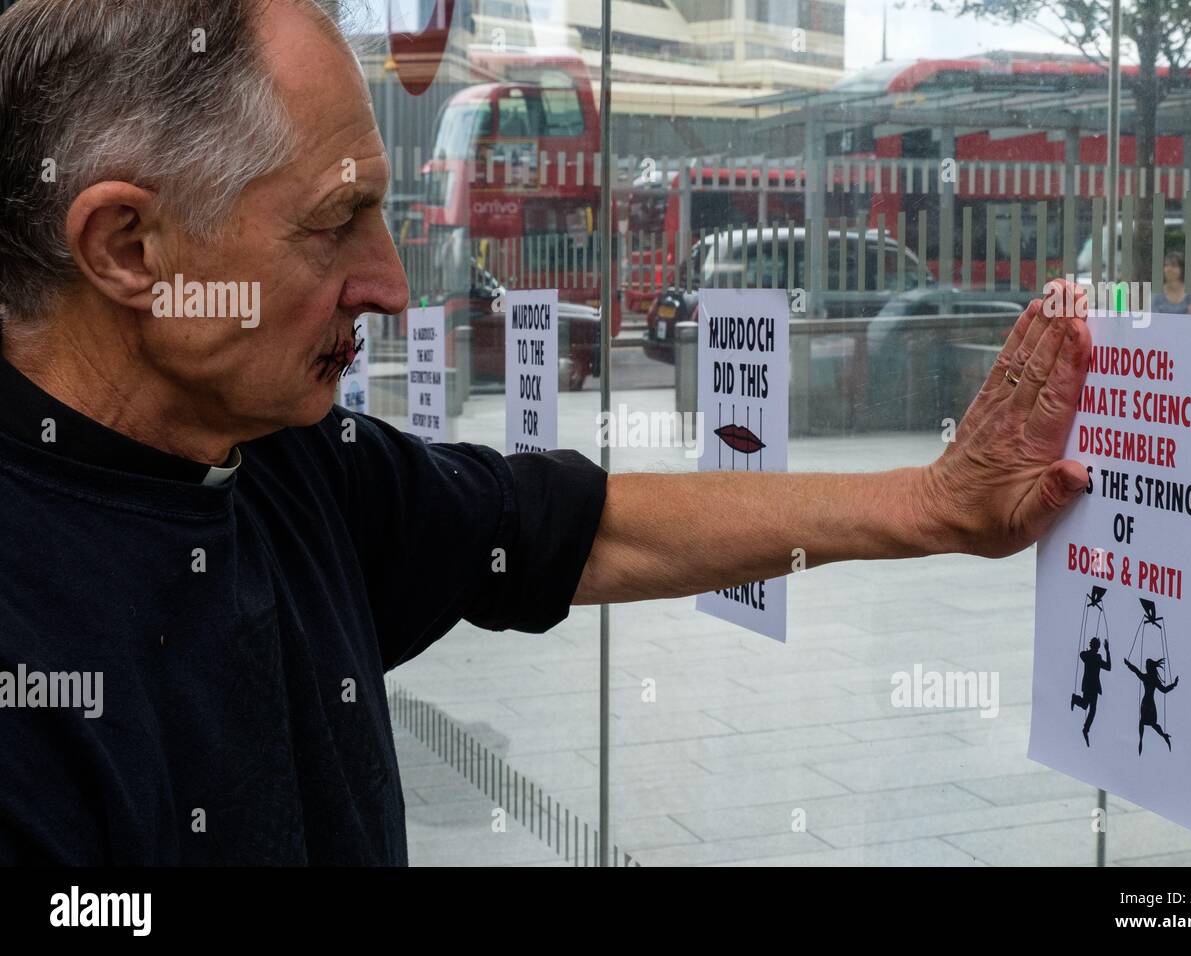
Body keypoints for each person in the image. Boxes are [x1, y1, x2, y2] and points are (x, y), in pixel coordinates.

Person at [0, 0, 1094, 864]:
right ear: (129, 248)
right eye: (334, 223)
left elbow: (576, 528)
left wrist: (933, 502)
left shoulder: (281, 456)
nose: (386, 285)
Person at [1123, 657, 1179, 754]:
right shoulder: (1154, 680)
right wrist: (1173, 685)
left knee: (1142, 721)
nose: (1145, 666)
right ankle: (1163, 735)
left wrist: (1128, 664)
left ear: (1149, 667)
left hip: (1145, 702)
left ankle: (1141, 740)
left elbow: (1136, 671)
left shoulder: (1146, 677)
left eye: (1146, 665)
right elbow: (1164, 690)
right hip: (1151, 704)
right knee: (1153, 724)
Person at [1070, 637, 1111, 747]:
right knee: (1088, 708)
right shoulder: (1096, 657)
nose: (1097, 649)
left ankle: (1086, 729)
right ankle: (1075, 699)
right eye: (1097, 647)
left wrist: (1091, 650)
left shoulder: (1089, 656)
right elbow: (1108, 666)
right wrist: (1107, 650)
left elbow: (1082, 654)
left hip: (1091, 686)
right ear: (1097, 647)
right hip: (1091, 686)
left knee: (1089, 708)